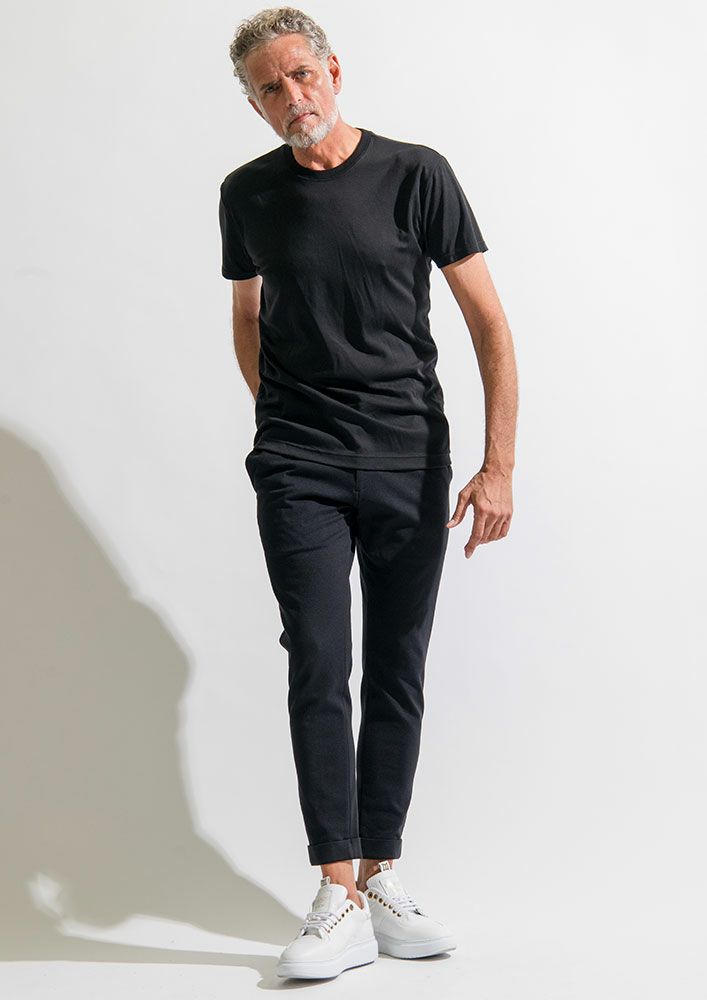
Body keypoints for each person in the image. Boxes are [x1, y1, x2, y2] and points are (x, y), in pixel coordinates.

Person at [219, 6, 518, 981]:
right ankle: (336, 888)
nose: (290, 97)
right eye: (268, 88)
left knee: (396, 665)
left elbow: (487, 323)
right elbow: (247, 316)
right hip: (298, 463)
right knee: (317, 659)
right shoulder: (246, 194)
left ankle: (382, 875)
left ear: (333, 70)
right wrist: (283, 416)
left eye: (300, 74)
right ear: (255, 103)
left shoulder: (415, 174)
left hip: (407, 458)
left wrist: (497, 464)